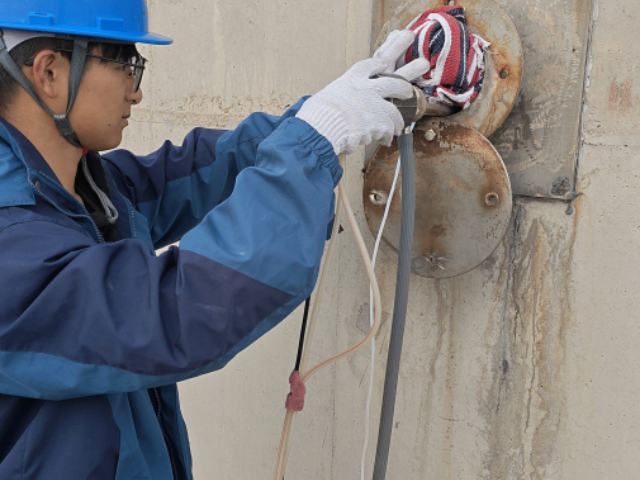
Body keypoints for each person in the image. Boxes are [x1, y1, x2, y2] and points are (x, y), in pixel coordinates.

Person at [0, 1, 428, 478]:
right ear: (49, 73)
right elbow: (180, 309)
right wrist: (309, 147)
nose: (136, 93)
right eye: (126, 63)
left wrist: (320, 114)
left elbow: (192, 174)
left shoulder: (74, 189)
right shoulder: (14, 248)